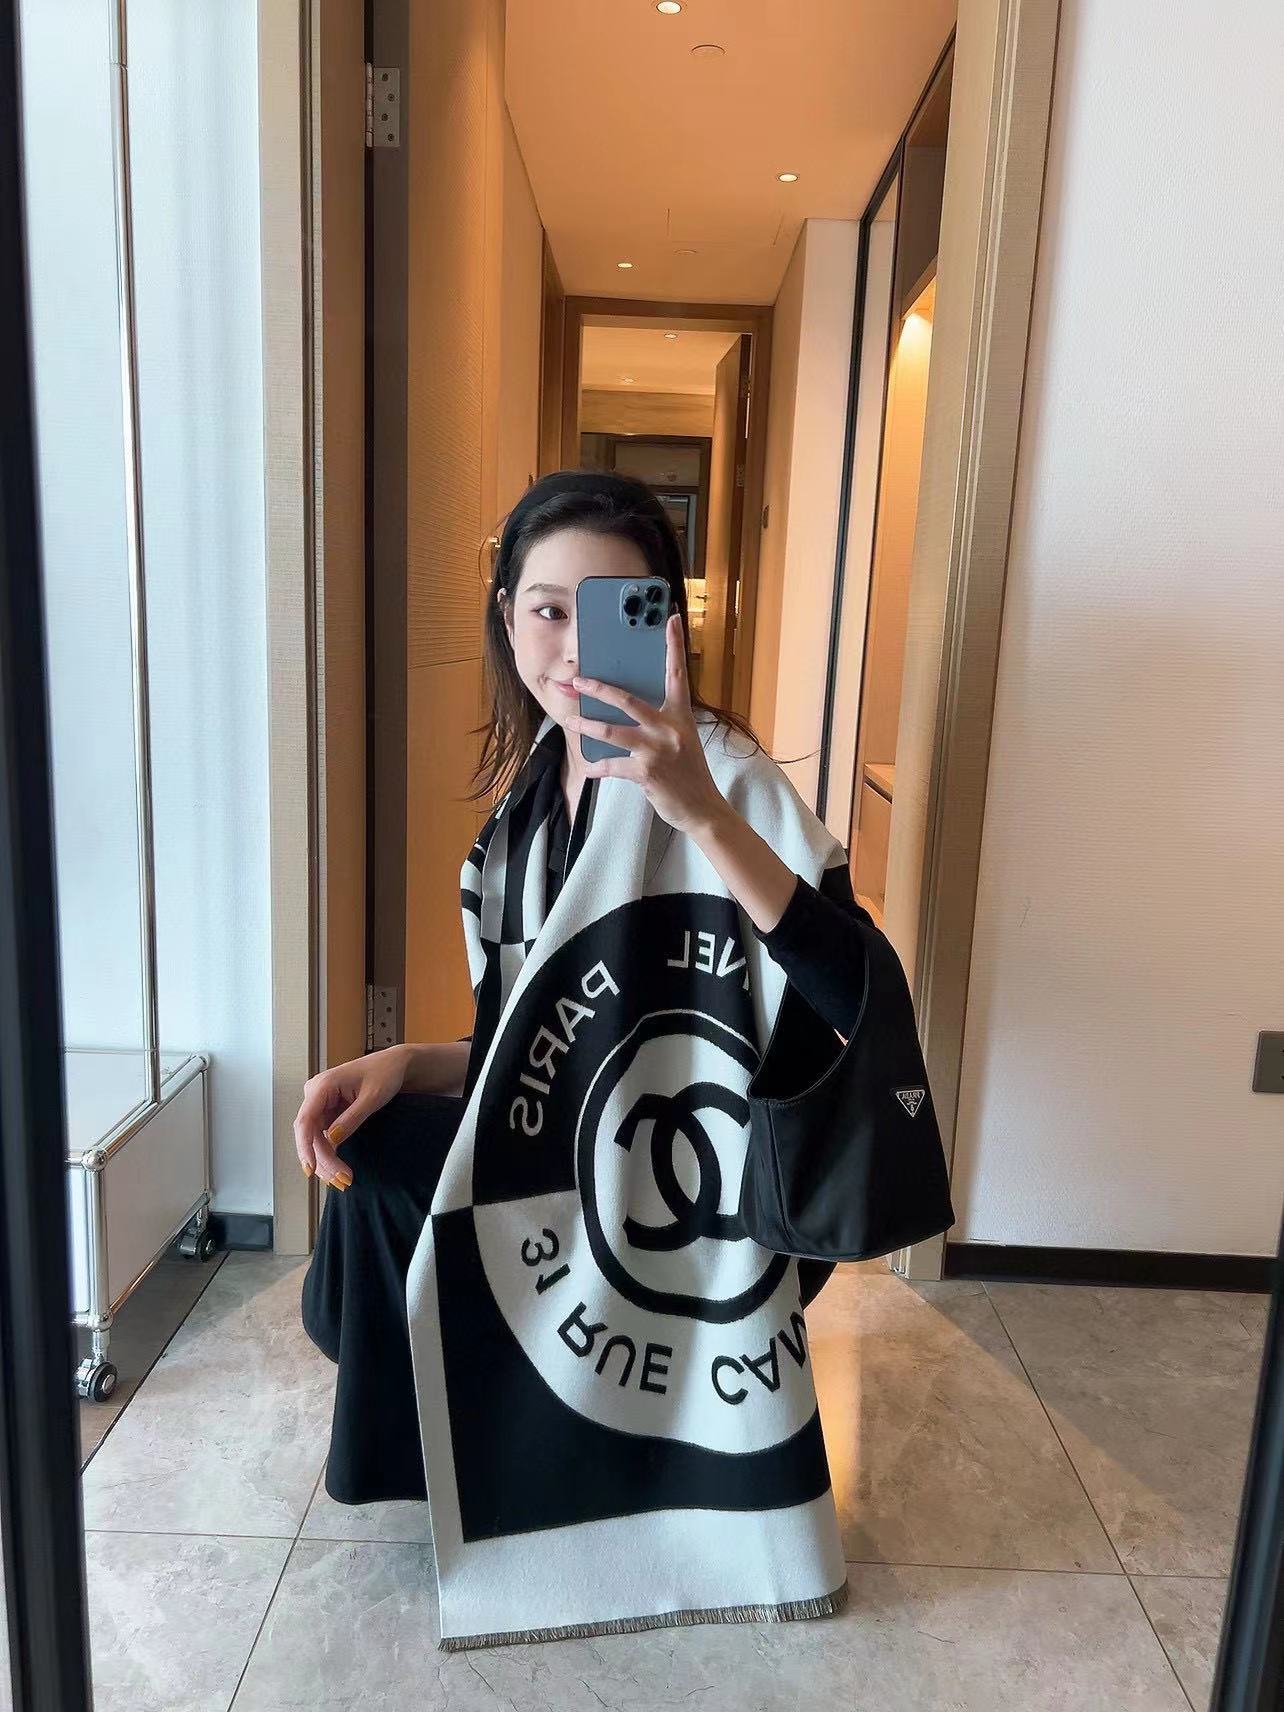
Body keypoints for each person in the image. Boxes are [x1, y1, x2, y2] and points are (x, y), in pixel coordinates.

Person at [297, 470, 876, 1641]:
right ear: (506, 617)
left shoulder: (725, 775)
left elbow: (850, 990)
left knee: (403, 1193)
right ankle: (459, 1453)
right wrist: (403, 1061)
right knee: (374, 1153)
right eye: (547, 608)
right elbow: (529, 1046)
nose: (571, 647)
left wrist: (700, 813)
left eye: (613, 608)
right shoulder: (521, 810)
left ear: (665, 625)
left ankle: (502, 1455)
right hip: (570, 1136)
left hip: (710, 1172)